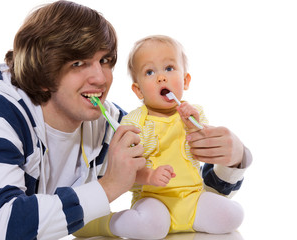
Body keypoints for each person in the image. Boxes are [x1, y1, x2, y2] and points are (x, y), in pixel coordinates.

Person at [0, 1, 251, 239]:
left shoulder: (107, 121)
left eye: (105, 60)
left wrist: (233, 158)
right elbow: (3, 226)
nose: (100, 77)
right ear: (43, 71)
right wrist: (110, 186)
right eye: (78, 63)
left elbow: (191, 197)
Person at [74, 35, 251, 239]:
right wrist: (149, 177)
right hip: (154, 199)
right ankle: (101, 224)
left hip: (193, 198)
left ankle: (197, 218)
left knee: (233, 216)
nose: (161, 77)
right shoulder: (133, 122)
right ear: (138, 90)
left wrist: (195, 128)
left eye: (169, 68)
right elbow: (126, 172)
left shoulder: (194, 114)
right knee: (149, 227)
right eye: (150, 72)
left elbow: (203, 153)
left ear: (185, 80)